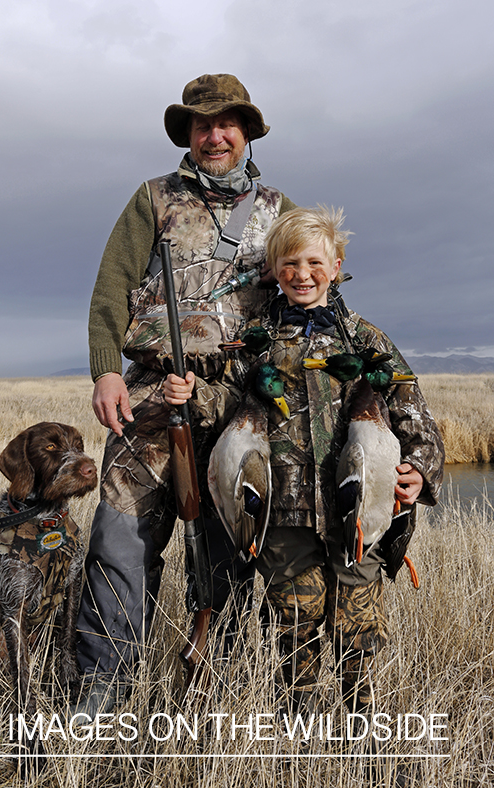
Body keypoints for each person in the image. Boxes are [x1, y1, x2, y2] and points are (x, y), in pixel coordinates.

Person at [164, 205, 444, 714]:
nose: (303, 275)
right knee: (296, 630)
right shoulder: (255, 341)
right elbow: (224, 403)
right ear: (273, 270)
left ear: (336, 265)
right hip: (284, 517)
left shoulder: (366, 340)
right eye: (289, 263)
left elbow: (414, 412)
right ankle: (304, 738)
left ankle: (361, 737)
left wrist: (419, 470)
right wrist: (191, 394)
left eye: (315, 262)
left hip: (359, 515)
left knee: (358, 632)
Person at [75, 74, 296, 714]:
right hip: (150, 401)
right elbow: (111, 288)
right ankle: (99, 707)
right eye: (202, 124)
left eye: (227, 123)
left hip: (242, 412)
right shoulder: (152, 200)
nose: (215, 134)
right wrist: (105, 371)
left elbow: (307, 298)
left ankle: (209, 708)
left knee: (227, 559)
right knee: (117, 547)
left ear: (247, 132)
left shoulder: (280, 212)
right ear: (189, 135)